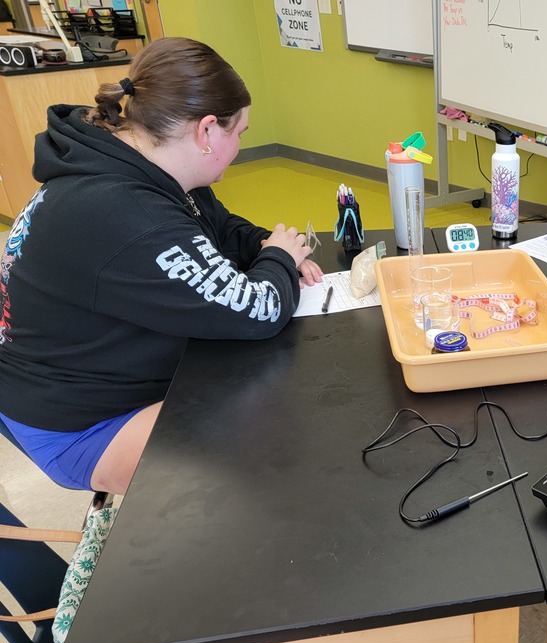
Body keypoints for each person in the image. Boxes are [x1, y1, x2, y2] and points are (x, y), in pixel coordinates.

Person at [0, 37, 323, 496]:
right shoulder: (126, 211)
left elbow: (216, 225)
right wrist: (280, 258)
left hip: (92, 373)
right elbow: (257, 311)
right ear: (206, 131)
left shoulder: (138, 160)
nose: (238, 147)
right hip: (78, 421)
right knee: (275, 450)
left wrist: (261, 244)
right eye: (240, 134)